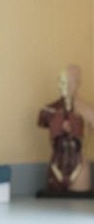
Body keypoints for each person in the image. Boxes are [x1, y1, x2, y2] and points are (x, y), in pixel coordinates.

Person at [38, 64, 94, 194]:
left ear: (78, 83)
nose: (67, 86)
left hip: (79, 168)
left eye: (71, 82)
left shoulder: (88, 111)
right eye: (64, 81)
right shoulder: (50, 111)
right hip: (56, 166)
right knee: (55, 210)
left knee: (77, 207)